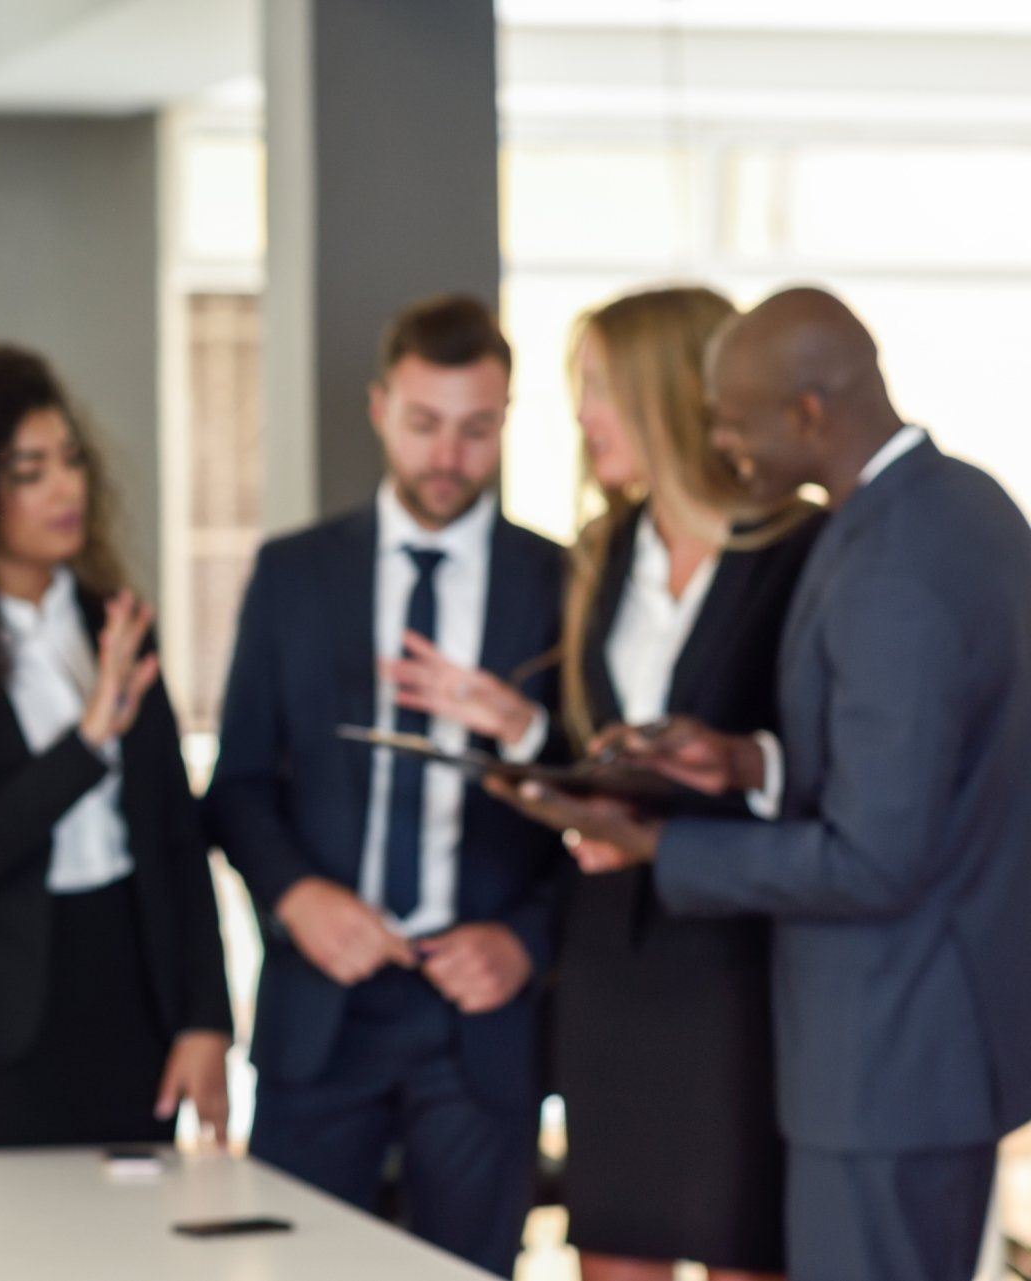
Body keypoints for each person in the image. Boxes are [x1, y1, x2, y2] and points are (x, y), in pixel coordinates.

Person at [495, 286, 1031, 1281]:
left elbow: (875, 858)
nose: (725, 446)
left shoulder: (886, 563)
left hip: (887, 1050)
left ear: (809, 415)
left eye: (735, 424)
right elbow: (920, 767)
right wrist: (750, 761)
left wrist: (659, 846)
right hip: (925, 1038)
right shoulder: (961, 504)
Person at [390, 286, 823, 1281]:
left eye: (598, 389)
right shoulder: (603, 552)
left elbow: (816, 763)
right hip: (609, 966)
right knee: (613, 1251)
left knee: (743, 1250)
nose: (582, 416)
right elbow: (607, 747)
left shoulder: (796, 550)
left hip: (740, 967)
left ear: (671, 394)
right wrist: (524, 733)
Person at [205, 294, 566, 1276]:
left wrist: (524, 944)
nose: (447, 456)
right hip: (323, 1006)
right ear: (378, 408)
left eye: (477, 428)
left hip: (481, 1019)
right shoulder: (293, 574)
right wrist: (297, 897)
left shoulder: (564, 585)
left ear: (506, 419)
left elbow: (600, 810)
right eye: (423, 424)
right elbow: (237, 785)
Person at [0, 344, 233, 1148]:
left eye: (70, 460)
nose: (66, 487)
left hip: (133, 992)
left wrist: (207, 1017)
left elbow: (178, 839)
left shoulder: (117, 622)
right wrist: (86, 744)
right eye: (30, 470)